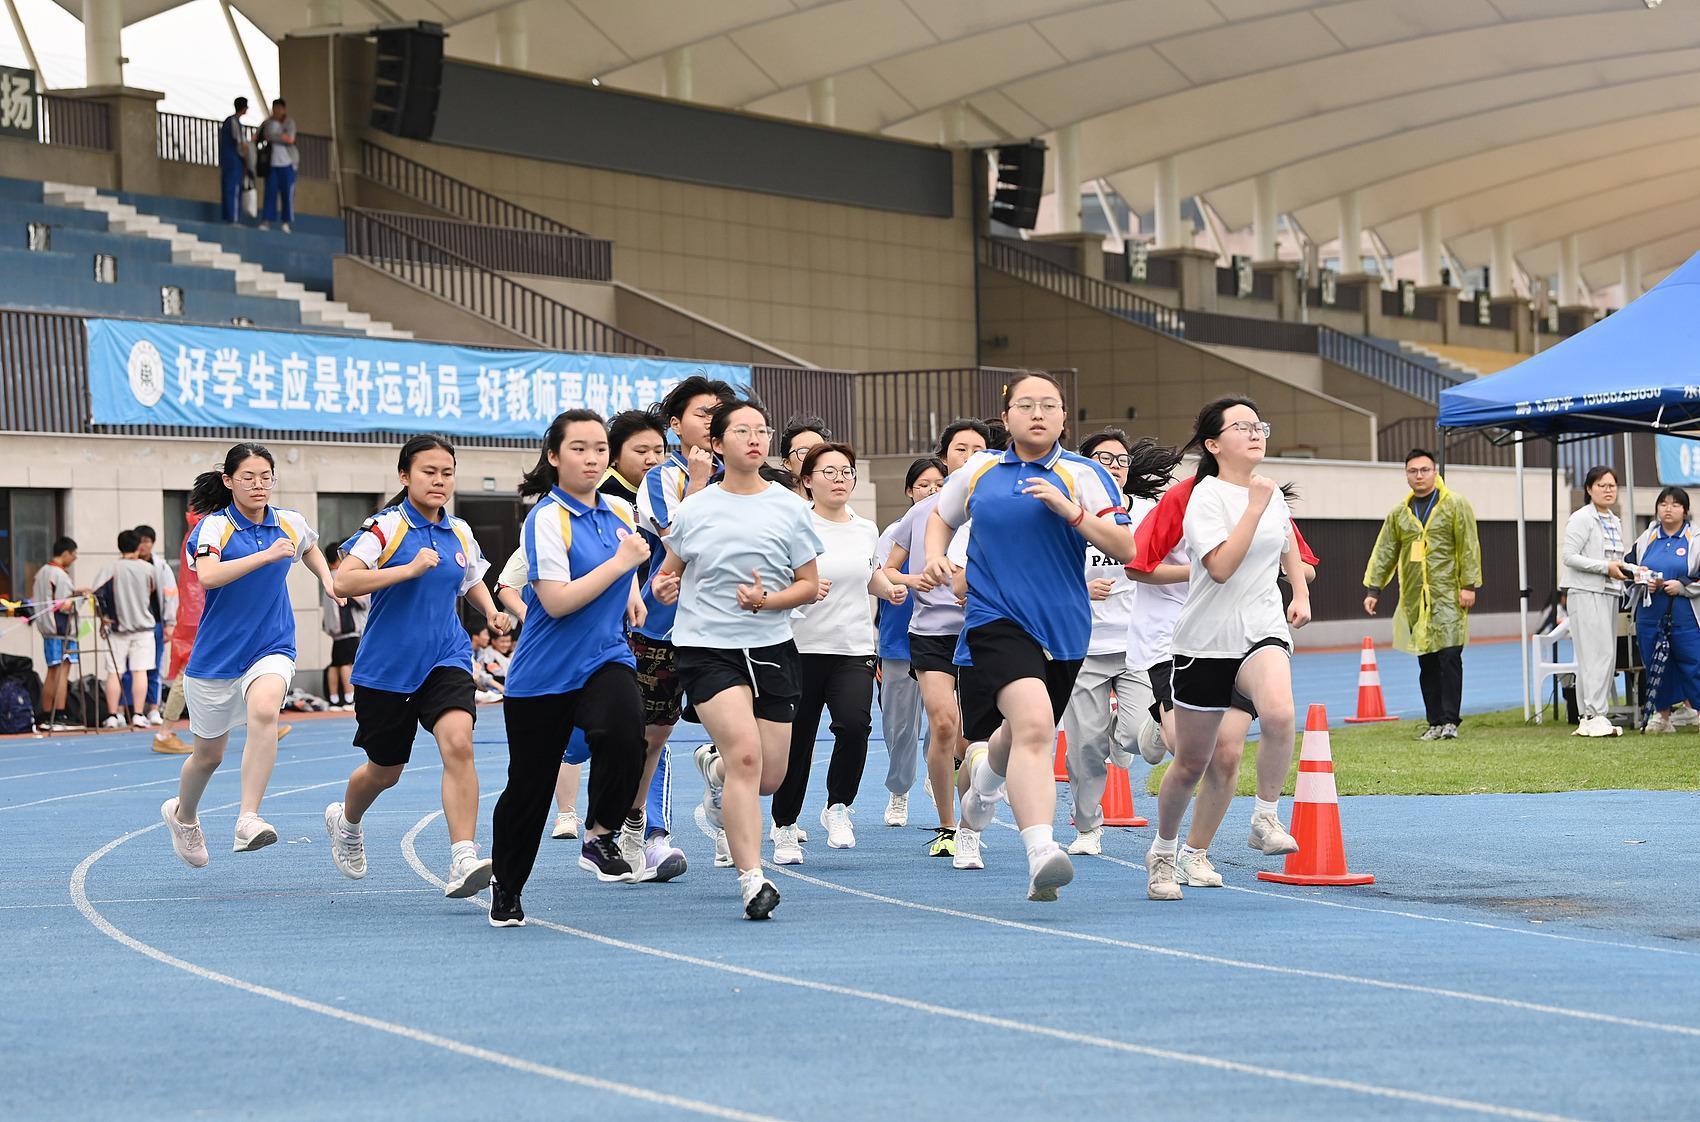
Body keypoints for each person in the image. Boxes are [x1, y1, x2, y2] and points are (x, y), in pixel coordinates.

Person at [930, 373, 1135, 901]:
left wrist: (1072, 513)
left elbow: (1126, 547)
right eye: (1026, 405)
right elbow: (940, 517)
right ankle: (1041, 849)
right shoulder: (980, 470)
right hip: (995, 619)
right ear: (1007, 418)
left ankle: (983, 793)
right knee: (1037, 725)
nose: (1038, 413)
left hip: (1065, 627)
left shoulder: (1085, 474)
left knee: (1017, 735)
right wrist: (935, 554)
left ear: (1065, 417)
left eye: (1050, 405)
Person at [652, 398, 823, 920]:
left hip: (771, 646)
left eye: (762, 430)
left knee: (769, 777)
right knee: (747, 757)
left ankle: (715, 768)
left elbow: (810, 585)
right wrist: (664, 585)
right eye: (742, 431)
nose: (755, 439)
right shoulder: (696, 507)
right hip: (707, 648)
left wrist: (767, 601)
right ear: (717, 443)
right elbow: (669, 571)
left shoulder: (791, 508)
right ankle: (753, 879)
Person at [325, 436, 510, 898]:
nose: (439, 480)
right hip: (386, 669)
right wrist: (405, 570)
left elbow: (471, 581)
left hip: (445, 658)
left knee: (459, 743)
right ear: (405, 476)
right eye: (429, 472)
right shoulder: (386, 528)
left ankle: (463, 855)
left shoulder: (459, 531)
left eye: (447, 472)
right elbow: (342, 581)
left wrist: (489, 612)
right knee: (384, 771)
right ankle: (346, 821)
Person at [488, 411, 653, 927]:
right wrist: (623, 568)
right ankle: (507, 886)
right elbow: (557, 602)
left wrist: (633, 596)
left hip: (605, 657)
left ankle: (600, 835)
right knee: (529, 790)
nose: (592, 457)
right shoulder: (546, 518)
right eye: (579, 448)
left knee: (627, 731)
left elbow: (620, 564)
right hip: (542, 674)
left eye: (600, 448)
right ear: (555, 457)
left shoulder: (620, 513)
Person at [1144, 398, 1310, 902]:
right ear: (1214, 444)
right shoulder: (1204, 497)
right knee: (1194, 762)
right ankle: (1163, 852)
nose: (1256, 432)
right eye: (1242, 426)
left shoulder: (1270, 495)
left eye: (1260, 424)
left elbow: (1287, 548)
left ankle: (1264, 817)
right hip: (1205, 641)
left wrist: (1298, 592)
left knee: (1281, 714)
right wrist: (1255, 505)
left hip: (1262, 628)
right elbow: (1219, 566)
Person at [160, 443, 339, 868]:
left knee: (265, 713)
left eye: (266, 477)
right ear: (228, 481)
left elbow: (308, 546)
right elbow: (207, 576)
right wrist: (266, 555)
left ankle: (248, 817)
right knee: (208, 756)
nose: (259, 486)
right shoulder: (213, 528)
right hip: (217, 657)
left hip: (272, 644)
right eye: (248, 478)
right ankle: (183, 816)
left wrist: (327, 581)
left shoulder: (289, 522)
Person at [768, 441, 900, 860]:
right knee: (798, 742)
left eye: (846, 471)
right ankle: (785, 825)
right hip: (800, 648)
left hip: (853, 647)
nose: (840, 479)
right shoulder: (793, 526)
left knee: (854, 726)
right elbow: (773, 581)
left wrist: (889, 589)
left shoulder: (865, 529)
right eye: (829, 472)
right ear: (807, 481)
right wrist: (801, 591)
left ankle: (837, 806)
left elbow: (868, 575)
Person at [1060, 431, 1182, 855]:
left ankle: (1127, 731)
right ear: (1085, 464)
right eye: (1103, 458)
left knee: (1140, 744)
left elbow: (1166, 562)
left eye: (1121, 459)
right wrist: (1078, 587)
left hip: (1138, 645)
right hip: (1085, 646)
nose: (1113, 465)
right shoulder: (1068, 513)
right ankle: (1088, 829)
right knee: (1086, 749)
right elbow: (1047, 571)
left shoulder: (1150, 510)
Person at [633, 375, 737, 865]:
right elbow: (682, 540)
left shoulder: (746, 479)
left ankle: (721, 791)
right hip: (665, 628)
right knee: (652, 736)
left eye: (721, 413)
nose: (712, 421)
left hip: (731, 624)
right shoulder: (660, 479)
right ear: (675, 426)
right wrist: (698, 484)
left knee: (744, 732)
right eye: (702, 413)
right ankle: (647, 833)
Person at [881, 418, 991, 860]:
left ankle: (969, 821)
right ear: (946, 459)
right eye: (961, 449)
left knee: (971, 739)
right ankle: (947, 826)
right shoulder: (923, 512)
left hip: (984, 631)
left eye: (979, 449)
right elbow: (887, 569)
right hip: (932, 633)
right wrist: (912, 579)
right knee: (943, 723)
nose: (970, 456)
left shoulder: (1000, 505)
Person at [1363, 448, 1483, 740]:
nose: (1419, 475)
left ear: (1435, 471)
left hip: (1449, 595)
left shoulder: (1454, 504)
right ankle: (1435, 721)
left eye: (1424, 470)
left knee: (1450, 655)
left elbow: (1468, 544)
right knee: (1426, 660)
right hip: (1416, 599)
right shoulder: (1399, 514)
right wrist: (1374, 589)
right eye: (1413, 471)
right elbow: (1385, 551)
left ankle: (1451, 720)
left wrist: (1469, 585)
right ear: (1406, 475)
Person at [877, 456, 943, 827]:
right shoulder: (894, 532)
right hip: (900, 641)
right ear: (908, 491)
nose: (932, 492)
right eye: (923, 486)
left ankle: (937, 779)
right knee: (899, 727)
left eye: (938, 485)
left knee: (942, 722)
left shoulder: (955, 529)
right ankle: (899, 789)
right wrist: (900, 584)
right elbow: (879, 577)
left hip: (940, 639)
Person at [1559, 466, 1628, 738]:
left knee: (1605, 655)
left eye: (1612, 485)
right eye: (1602, 485)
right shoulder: (1581, 518)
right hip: (1585, 591)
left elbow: (1614, 558)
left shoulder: (1614, 519)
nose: (1608, 490)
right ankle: (1593, 713)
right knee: (1594, 655)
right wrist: (1605, 567)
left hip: (1609, 591)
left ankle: (1590, 716)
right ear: (1589, 489)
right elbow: (1569, 556)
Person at [1624, 486, 1700, 733]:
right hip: (1649, 613)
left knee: (1693, 662)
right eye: (1663, 504)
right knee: (1655, 661)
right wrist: (1641, 577)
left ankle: (1695, 711)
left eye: (1675, 505)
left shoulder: (1695, 539)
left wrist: (1683, 585)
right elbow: (1627, 568)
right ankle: (1662, 714)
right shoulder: (1647, 538)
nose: (1668, 509)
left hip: (1685, 613)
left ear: (1685, 510)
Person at [153, 510, 206, 755]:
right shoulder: (206, 529)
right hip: (201, 611)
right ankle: (164, 731)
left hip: (196, 610)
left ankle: (262, 722)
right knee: (187, 672)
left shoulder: (198, 528)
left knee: (238, 667)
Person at [96, 529, 158, 730]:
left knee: (114, 672)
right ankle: (139, 714)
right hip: (144, 627)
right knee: (140, 672)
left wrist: (103, 617)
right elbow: (153, 594)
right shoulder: (148, 569)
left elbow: (97, 594)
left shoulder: (111, 568)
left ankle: (113, 715)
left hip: (117, 627)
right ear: (138, 546)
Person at [32, 537, 86, 732]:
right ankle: (60, 714)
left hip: (48, 629)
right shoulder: (60, 575)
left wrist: (75, 593)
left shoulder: (42, 572)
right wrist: (81, 598)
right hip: (62, 630)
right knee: (62, 671)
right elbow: (64, 605)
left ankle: (46, 715)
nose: (74, 558)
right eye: (73, 554)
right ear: (65, 553)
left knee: (52, 671)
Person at [134, 525, 179, 726]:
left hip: (156, 623)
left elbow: (171, 596)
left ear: (152, 543)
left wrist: (170, 623)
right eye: (140, 541)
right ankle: (131, 709)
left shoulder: (161, 567)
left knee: (155, 666)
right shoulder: (129, 565)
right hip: (134, 625)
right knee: (133, 670)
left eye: (147, 541)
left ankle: (153, 707)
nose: (143, 545)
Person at [321, 544, 367, 711]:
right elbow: (361, 601)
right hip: (347, 628)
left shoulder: (327, 577)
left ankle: (334, 699)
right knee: (347, 663)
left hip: (335, 629)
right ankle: (349, 697)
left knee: (336, 663)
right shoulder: (340, 577)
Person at [259, 98, 297, 233]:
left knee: (287, 194)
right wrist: (280, 137)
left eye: (279, 108)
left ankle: (286, 222)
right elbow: (265, 136)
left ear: (283, 109)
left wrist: (275, 136)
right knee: (270, 192)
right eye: (274, 108)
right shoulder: (267, 123)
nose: (276, 111)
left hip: (287, 164)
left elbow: (290, 139)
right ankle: (266, 220)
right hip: (272, 164)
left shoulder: (289, 122)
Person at [218, 96, 249, 223]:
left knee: (228, 187)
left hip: (227, 160)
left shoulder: (228, 121)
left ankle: (229, 217)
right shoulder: (234, 122)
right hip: (233, 160)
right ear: (244, 107)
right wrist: (247, 157)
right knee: (233, 188)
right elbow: (241, 143)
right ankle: (233, 218)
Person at [778, 417, 830, 492]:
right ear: (787, 463)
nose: (813, 455)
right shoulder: (777, 500)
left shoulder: (837, 501)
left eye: (820, 450)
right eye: (803, 451)